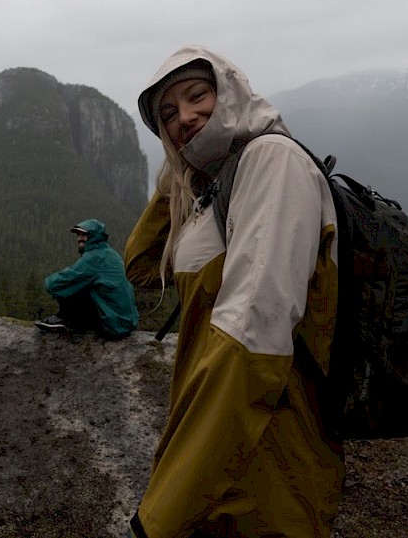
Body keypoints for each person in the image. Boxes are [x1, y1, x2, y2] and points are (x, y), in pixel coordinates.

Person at [123, 46, 344, 537]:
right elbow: (139, 266)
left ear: (230, 90)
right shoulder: (215, 190)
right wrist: (178, 173)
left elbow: (252, 338)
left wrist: (162, 509)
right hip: (220, 437)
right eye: (166, 116)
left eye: (197, 95)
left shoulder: (273, 163)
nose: (184, 116)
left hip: (268, 454)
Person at [34, 219, 139, 339]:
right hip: (125, 321)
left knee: (72, 285)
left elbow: (60, 282)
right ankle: (74, 322)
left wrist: (47, 282)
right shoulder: (108, 253)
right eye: (78, 235)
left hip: (113, 325)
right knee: (85, 285)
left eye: (84, 235)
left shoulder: (95, 257)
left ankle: (64, 319)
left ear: (95, 236)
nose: (79, 238)